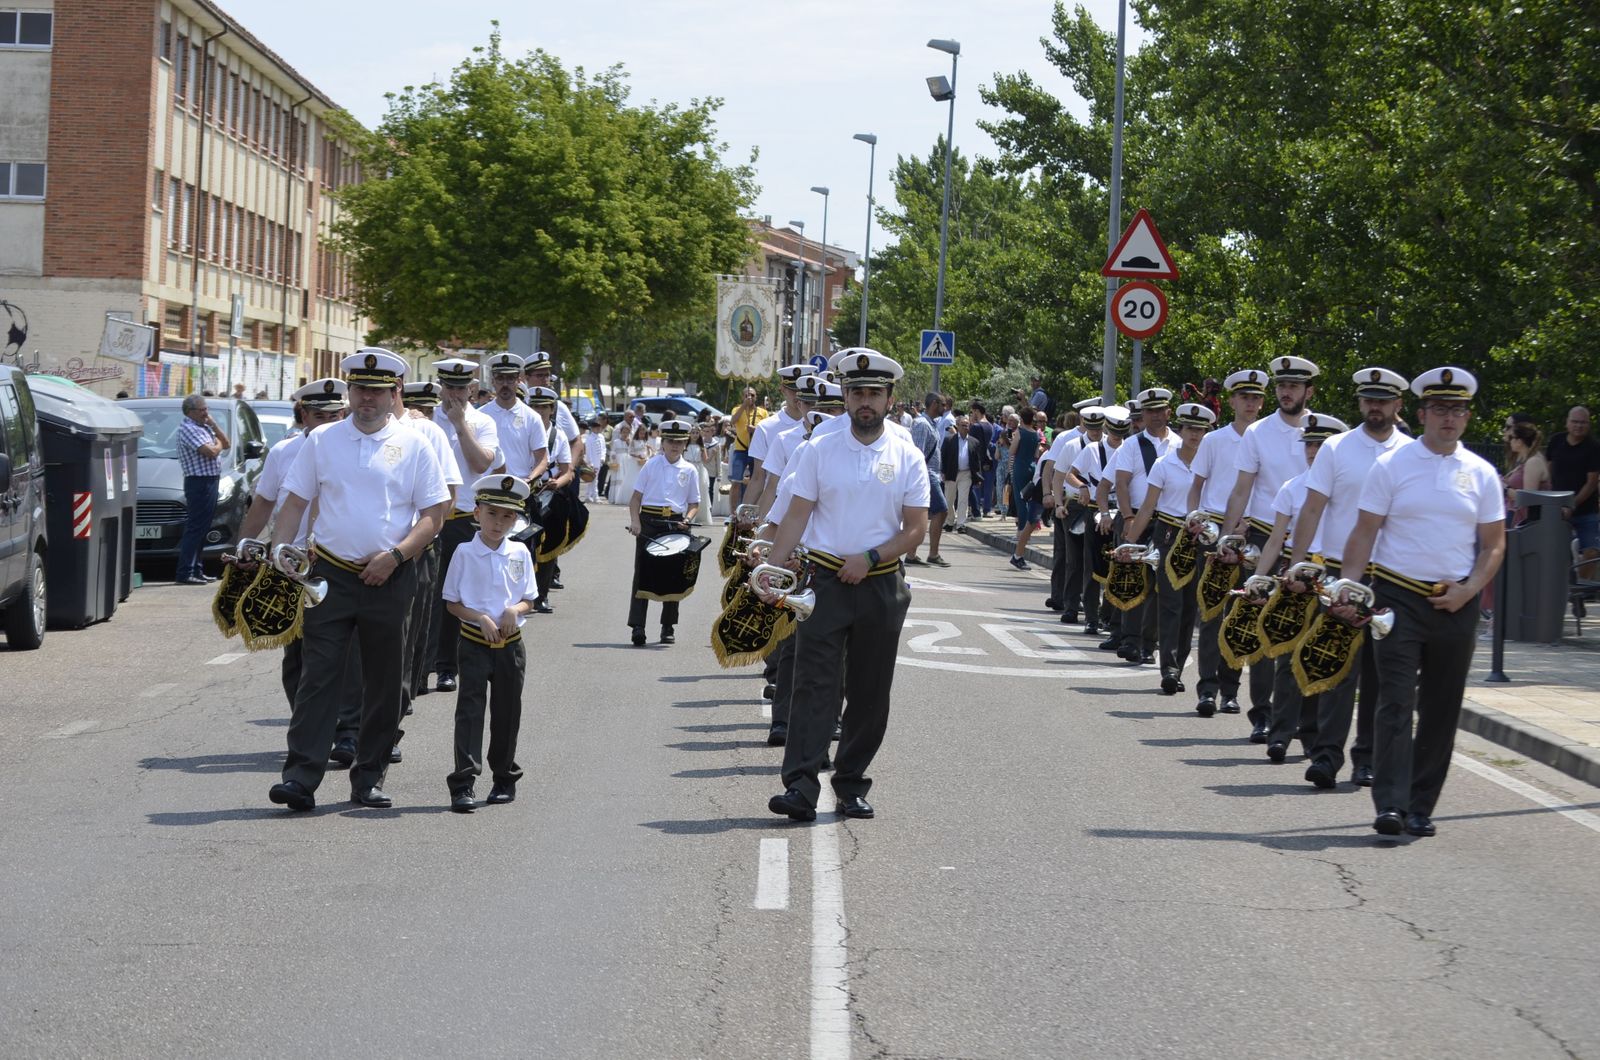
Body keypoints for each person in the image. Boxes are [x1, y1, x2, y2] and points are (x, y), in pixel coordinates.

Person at [266, 349, 451, 812]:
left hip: (390, 576)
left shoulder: (415, 444)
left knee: (385, 682)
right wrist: (279, 550)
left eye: (377, 390)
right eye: (359, 389)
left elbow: (434, 515)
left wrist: (395, 556)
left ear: (395, 395)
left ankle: (368, 777)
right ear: (348, 391)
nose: (367, 398)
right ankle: (300, 777)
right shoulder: (323, 440)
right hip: (329, 574)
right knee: (318, 677)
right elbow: (293, 503)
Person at [1337, 367, 1505, 839]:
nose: (1448, 418)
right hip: (1397, 596)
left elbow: (1494, 543)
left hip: (1456, 599)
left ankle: (1420, 804)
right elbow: (1364, 531)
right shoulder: (1392, 466)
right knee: (1394, 701)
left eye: (1457, 410)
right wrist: (1348, 589)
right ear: (1422, 413)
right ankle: (1389, 803)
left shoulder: (1481, 474)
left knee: (1441, 706)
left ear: (1467, 417)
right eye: (1439, 409)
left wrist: (1470, 589)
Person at [763, 351, 929, 822]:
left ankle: (851, 784)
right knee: (813, 685)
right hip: (825, 580)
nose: (865, 403)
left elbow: (916, 528)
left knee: (870, 691)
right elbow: (797, 516)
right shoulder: (820, 449)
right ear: (846, 396)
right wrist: (771, 573)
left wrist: (872, 558)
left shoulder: (906, 453)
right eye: (857, 393)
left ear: (890, 400)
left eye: (874, 394)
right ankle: (800, 786)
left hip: (880, 585)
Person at [1283, 368, 1410, 788]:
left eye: (1384, 399)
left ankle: (1367, 758)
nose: (1375, 407)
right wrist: (1298, 566)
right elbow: (1313, 509)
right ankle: (1325, 754)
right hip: (1341, 572)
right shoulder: (1336, 448)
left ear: (1398, 405)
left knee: (1379, 674)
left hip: (1392, 577)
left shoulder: (1412, 453)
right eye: (1369, 399)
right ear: (1360, 403)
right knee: (1335, 665)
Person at [1218, 356, 1321, 740]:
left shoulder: (1324, 431)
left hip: (1313, 546)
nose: (1286, 392)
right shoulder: (1258, 432)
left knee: (1306, 630)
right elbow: (1241, 488)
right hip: (1265, 538)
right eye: (1281, 385)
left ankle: (1297, 714)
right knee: (1264, 625)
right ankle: (1262, 712)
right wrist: (1227, 540)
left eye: (1294, 386)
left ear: (1308, 391)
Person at [233, 379, 348, 710]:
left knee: (338, 648)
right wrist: (244, 544)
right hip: (292, 564)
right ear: (304, 416)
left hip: (339, 560)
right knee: (296, 652)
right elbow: (264, 504)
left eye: (335, 415)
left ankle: (341, 725)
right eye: (318, 415)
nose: (327, 423)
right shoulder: (283, 452)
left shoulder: (354, 452)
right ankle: (305, 720)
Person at [1252, 413, 1347, 761]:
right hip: (1297, 576)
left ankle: (1312, 734)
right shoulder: (1292, 487)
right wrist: (1261, 578)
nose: (1312, 451)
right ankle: (1280, 734)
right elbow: (1277, 539)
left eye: (1320, 445)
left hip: (1334, 575)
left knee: (1323, 659)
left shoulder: (1348, 487)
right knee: (1288, 656)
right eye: (1309, 444)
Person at [443, 474, 539, 813]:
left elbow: (529, 597)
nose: (499, 523)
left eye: (507, 516)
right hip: (473, 642)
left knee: (507, 712)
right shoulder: (464, 552)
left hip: (511, 645)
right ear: (477, 513)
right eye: (492, 514)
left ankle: (504, 777)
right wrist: (479, 617)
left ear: (516, 519)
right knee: (469, 712)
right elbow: (452, 602)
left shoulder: (520, 552)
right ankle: (464, 781)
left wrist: (515, 609)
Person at [1184, 369, 1267, 716]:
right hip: (1217, 527)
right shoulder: (1215, 440)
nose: (1250, 403)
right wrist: (1195, 522)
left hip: (1255, 530)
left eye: (1256, 397)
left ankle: (1230, 690)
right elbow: (1196, 486)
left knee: (1243, 614)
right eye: (1244, 397)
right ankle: (1207, 688)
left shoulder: (1268, 438)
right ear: (1231, 401)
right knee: (1212, 612)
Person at [1124, 401, 1214, 694]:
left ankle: (1180, 660)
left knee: (1191, 606)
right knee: (1170, 603)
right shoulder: (1164, 463)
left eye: (1201, 430)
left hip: (1198, 537)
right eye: (1190, 428)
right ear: (1181, 429)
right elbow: (1148, 507)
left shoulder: (1211, 466)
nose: (1195, 435)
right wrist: (1131, 543)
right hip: (1168, 533)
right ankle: (1170, 669)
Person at [427, 358, 503, 695]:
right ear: (441, 385)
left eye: (462, 387)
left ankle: (446, 667)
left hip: (460, 518)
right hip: (426, 518)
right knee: (421, 593)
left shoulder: (482, 421)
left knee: (453, 595)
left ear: (471, 387)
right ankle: (418, 667)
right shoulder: (424, 419)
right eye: (450, 386)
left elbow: (482, 463)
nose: (455, 393)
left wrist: (460, 426)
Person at [1104, 387, 1176, 663]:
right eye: (1150, 411)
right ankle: (1130, 639)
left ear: (1168, 412)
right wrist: (1128, 517)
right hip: (1134, 516)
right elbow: (1121, 482)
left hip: (1167, 520)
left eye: (1160, 410)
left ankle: (1150, 642)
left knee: (1159, 584)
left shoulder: (1180, 444)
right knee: (1131, 580)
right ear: (1142, 415)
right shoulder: (1132, 445)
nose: (1156, 416)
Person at [626, 418, 701, 646]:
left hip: (676, 523)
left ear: (685, 443)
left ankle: (667, 626)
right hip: (650, 521)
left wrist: (687, 520)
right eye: (670, 441)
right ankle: (638, 627)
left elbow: (694, 503)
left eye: (679, 442)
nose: (674, 446)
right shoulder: (651, 465)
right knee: (643, 574)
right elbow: (635, 499)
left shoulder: (689, 470)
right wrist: (635, 522)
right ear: (663, 442)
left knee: (673, 576)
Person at [1055, 405, 1108, 630]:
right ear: (1084, 424)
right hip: (1075, 505)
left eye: (1099, 427)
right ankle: (1071, 605)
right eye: (1091, 427)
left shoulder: (1108, 445)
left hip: (1099, 506)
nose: (1096, 431)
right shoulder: (1072, 445)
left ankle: (1094, 612)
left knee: (1094, 562)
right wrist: (1058, 504)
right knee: (1074, 560)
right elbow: (1058, 476)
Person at [174, 393, 232, 585]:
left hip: (210, 480)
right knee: (196, 527)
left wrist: (214, 426)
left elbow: (227, 443)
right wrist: (218, 444)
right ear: (190, 412)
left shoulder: (204, 426)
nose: (206, 413)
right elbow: (211, 451)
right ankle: (185, 571)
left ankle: (197, 569)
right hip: (199, 482)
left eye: (206, 409)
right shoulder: (189, 428)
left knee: (203, 527)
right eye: (202, 410)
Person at [1041, 407, 1091, 617]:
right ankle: (1060, 596)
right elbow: (1050, 467)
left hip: (1093, 503)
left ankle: (1080, 598)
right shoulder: (1066, 438)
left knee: (1087, 556)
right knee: (1065, 554)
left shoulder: (1106, 440)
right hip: (1068, 500)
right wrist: (1048, 493)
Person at [1547, 406, 1599, 579]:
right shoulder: (1556, 441)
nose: (1578, 426)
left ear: (1588, 425)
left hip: (1586, 510)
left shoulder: (1593, 447)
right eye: (1575, 421)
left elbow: (1591, 483)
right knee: (1557, 553)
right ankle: (1563, 590)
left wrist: (1572, 505)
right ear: (1567, 422)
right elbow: (1548, 472)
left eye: (1583, 422)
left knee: (1592, 553)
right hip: (1556, 508)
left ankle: (1581, 593)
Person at [908, 391, 950, 566]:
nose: (944, 408)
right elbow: (917, 453)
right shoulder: (922, 424)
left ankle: (913, 554)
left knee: (928, 513)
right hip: (926, 474)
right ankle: (931, 554)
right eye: (942, 404)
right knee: (941, 510)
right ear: (934, 404)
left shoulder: (931, 424)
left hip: (932, 474)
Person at [1008, 406, 1042, 569]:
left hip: (1020, 468)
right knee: (1029, 501)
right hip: (1031, 467)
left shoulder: (1019, 433)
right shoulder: (1035, 434)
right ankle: (1026, 531)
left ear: (1021, 419)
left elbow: (1012, 451)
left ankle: (1022, 531)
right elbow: (1036, 454)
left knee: (1020, 502)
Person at [728, 386, 768, 511]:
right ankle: (733, 512)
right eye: (746, 395)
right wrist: (744, 406)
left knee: (756, 481)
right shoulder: (737, 409)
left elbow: (767, 430)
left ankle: (753, 509)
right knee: (736, 482)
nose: (750, 398)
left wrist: (755, 430)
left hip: (756, 450)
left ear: (756, 397)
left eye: (752, 395)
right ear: (742, 397)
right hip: (741, 449)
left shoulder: (763, 412)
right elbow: (733, 421)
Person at [1503, 421, 1551, 526]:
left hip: (1525, 524)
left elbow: (1527, 497)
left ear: (1519, 441)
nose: (1509, 441)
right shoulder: (1527, 460)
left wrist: (1504, 490)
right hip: (1517, 517)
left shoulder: (1533, 462)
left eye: (1512, 438)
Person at [941, 414, 980, 534]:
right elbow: (943, 457)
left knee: (963, 499)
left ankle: (961, 524)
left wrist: (978, 476)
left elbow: (976, 460)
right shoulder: (949, 440)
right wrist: (943, 472)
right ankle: (949, 521)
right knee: (949, 499)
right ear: (957, 426)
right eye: (963, 425)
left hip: (966, 474)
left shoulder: (974, 442)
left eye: (967, 425)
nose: (965, 428)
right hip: (951, 473)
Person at [580, 416, 608, 504]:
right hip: (592, 461)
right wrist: (591, 463)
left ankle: (589, 495)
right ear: (592, 428)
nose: (598, 429)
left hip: (599, 461)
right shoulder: (589, 438)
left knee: (594, 479)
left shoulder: (601, 437)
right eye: (596, 427)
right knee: (592, 479)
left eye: (599, 427)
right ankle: (594, 496)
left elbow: (604, 448)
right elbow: (589, 451)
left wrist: (603, 458)